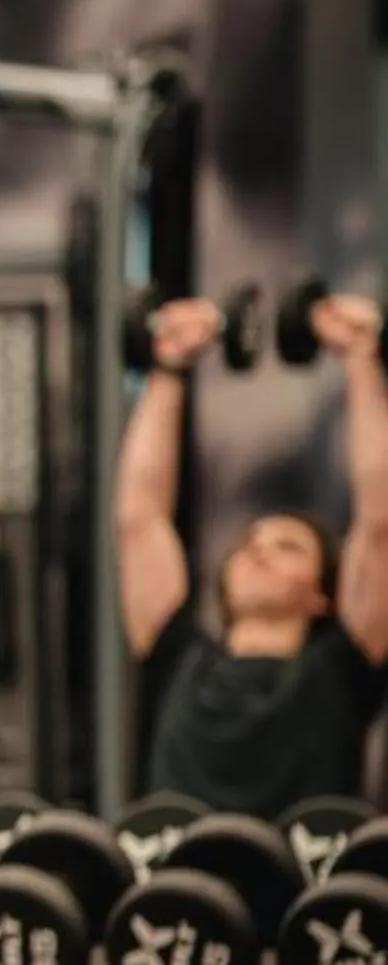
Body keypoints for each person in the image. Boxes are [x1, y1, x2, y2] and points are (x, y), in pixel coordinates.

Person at [114, 291, 388, 816]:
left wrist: (360, 359)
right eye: (249, 545)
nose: (259, 554)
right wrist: (167, 369)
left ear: (320, 597)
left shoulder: (338, 672)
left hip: (301, 898)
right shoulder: (178, 659)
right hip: (184, 896)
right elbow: (139, 519)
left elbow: (377, 522)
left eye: (287, 548)